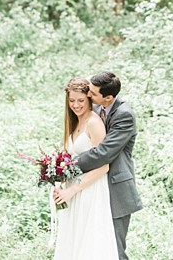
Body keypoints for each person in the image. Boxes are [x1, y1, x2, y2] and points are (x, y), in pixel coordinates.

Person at [56, 71, 143, 260]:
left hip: (115, 188)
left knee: (113, 252)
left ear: (108, 97)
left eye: (92, 94)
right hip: (89, 189)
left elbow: (104, 153)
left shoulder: (124, 115)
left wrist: (66, 169)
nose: (88, 96)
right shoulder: (94, 109)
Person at [52, 77, 118, 259]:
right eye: (72, 101)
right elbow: (70, 161)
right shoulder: (74, 123)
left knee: (89, 244)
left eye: (81, 100)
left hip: (90, 190)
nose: (76, 105)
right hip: (72, 191)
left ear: (89, 99)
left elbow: (104, 166)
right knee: (73, 243)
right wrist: (58, 182)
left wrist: (73, 189)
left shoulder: (94, 123)